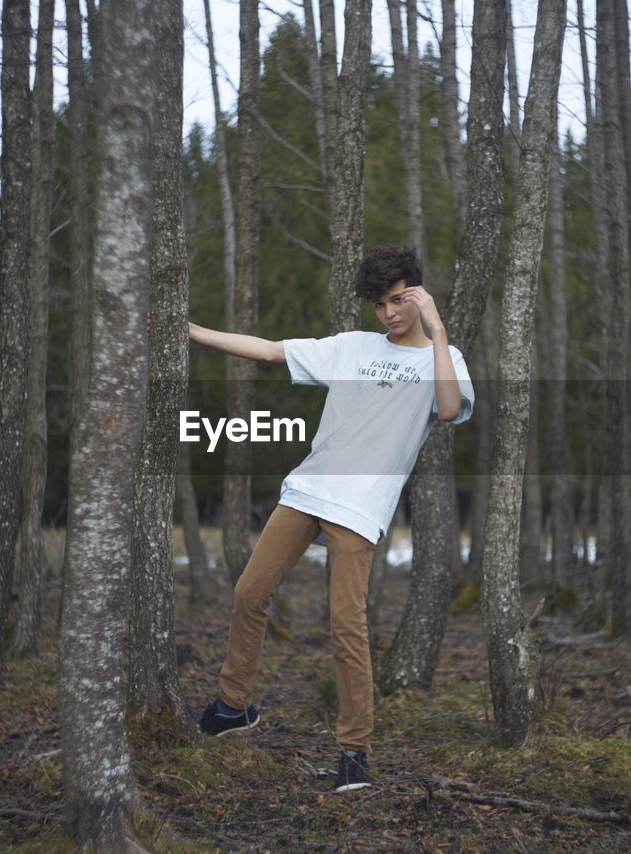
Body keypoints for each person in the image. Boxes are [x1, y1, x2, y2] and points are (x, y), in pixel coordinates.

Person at [189, 245, 474, 792]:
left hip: (359, 509)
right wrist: (197, 333)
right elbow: (272, 351)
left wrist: (438, 333)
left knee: (347, 627)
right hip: (307, 491)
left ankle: (355, 751)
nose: (388, 314)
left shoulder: (446, 358)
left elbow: (445, 409)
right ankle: (233, 705)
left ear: (417, 292)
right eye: (378, 305)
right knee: (250, 592)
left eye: (396, 301)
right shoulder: (351, 348)